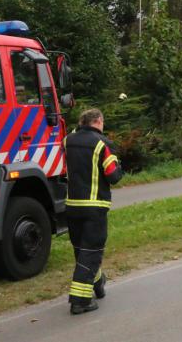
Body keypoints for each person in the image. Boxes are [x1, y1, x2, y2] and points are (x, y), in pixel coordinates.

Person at [64, 108, 123, 314]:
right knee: (91, 252)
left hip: (72, 206)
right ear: (98, 121)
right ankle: (80, 301)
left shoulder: (68, 141)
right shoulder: (102, 143)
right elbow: (113, 175)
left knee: (82, 250)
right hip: (94, 207)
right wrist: (119, 165)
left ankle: (98, 284)